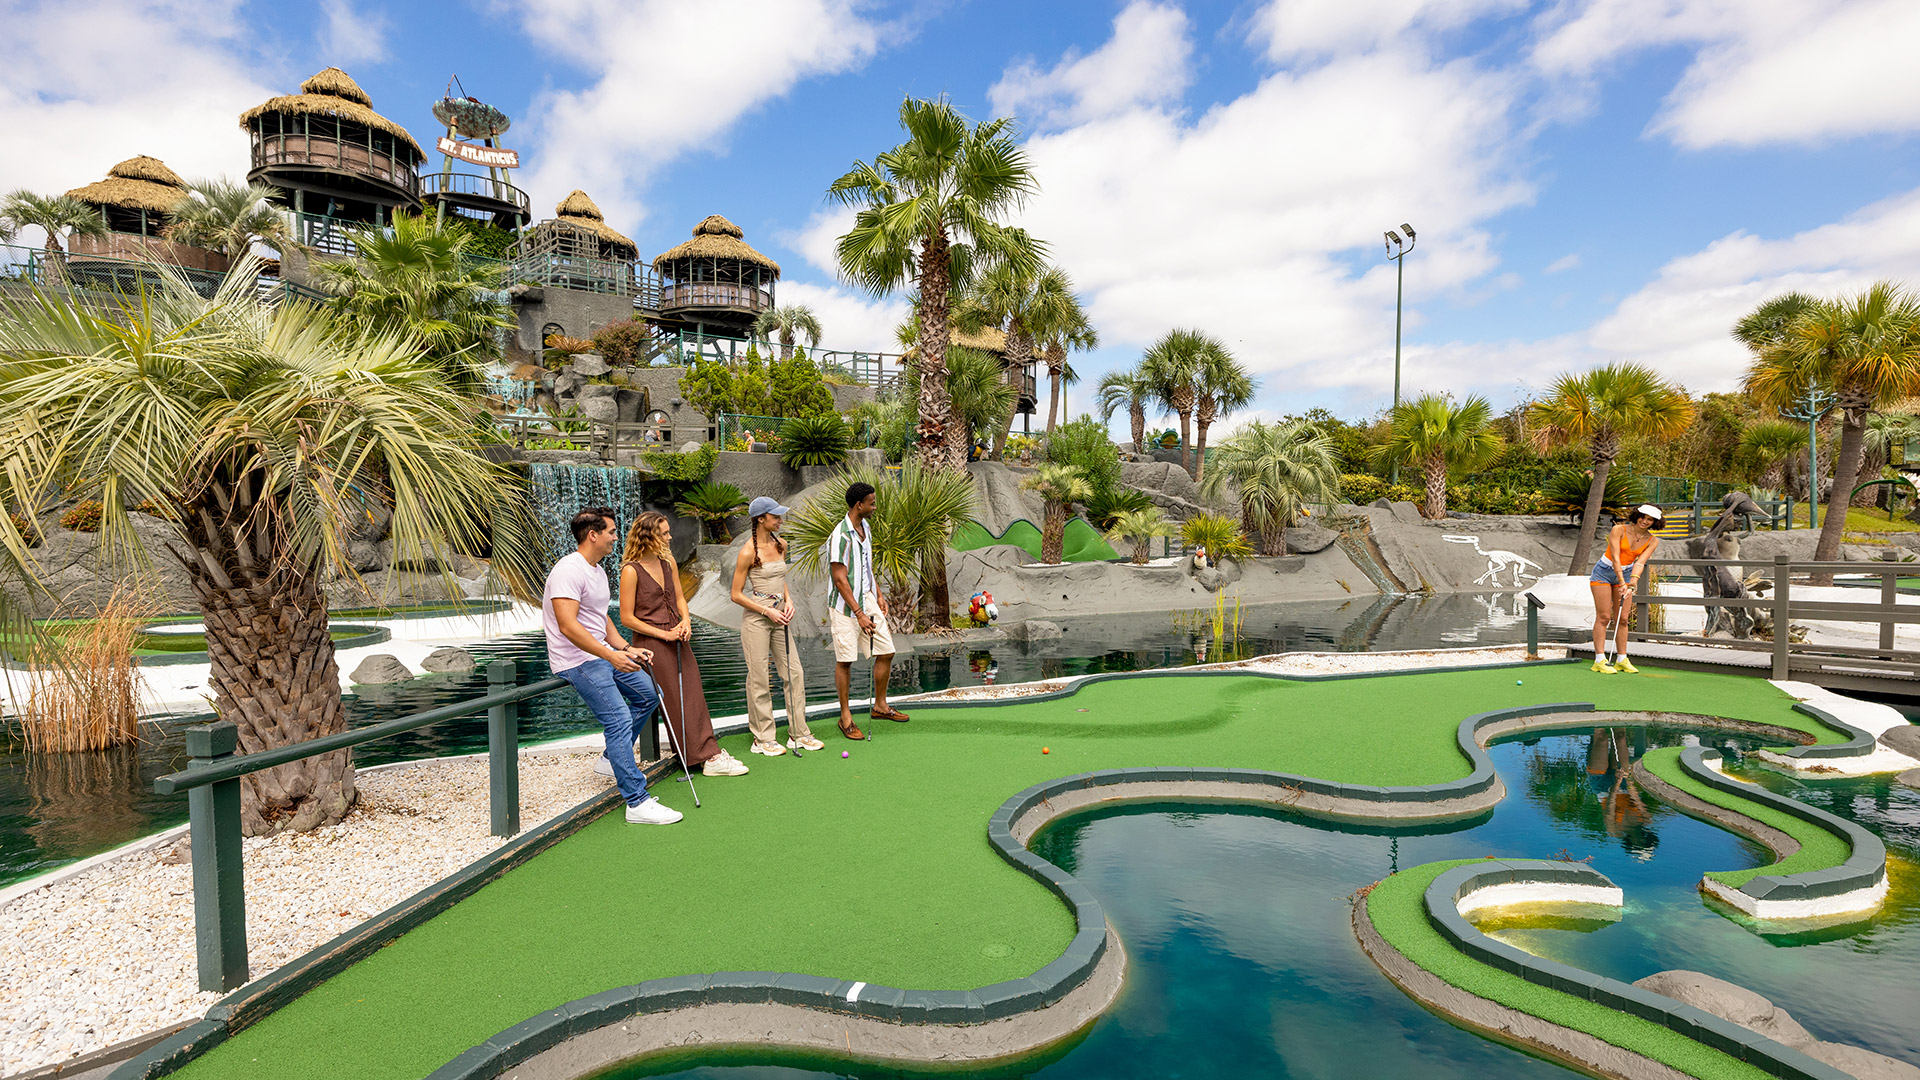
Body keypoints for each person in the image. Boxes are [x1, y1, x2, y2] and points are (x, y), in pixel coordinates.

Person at [543, 507, 682, 825]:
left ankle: (610, 757)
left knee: (650, 694)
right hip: (576, 660)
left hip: (603, 653)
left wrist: (625, 648)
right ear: (593, 535)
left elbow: (598, 617)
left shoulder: (597, 570)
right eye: (611, 531)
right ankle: (637, 801)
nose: (616, 537)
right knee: (618, 719)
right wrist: (610, 656)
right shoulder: (569, 570)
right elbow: (567, 625)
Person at [620, 511, 748, 776]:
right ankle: (702, 758)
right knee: (674, 699)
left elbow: (680, 598)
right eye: (664, 533)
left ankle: (708, 752)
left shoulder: (667, 562)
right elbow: (626, 618)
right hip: (652, 643)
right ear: (649, 536)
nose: (670, 537)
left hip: (677, 635)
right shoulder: (631, 571)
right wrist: (664, 634)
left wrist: (686, 621)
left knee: (692, 692)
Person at [731, 496, 824, 757]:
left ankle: (799, 732)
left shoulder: (782, 544)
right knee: (760, 678)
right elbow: (736, 594)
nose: (780, 521)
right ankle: (763, 738)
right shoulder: (748, 551)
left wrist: (789, 600)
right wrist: (767, 610)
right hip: (757, 619)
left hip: (780, 616)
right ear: (761, 519)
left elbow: (781, 579)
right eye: (776, 517)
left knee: (794, 673)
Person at [827, 481, 909, 740]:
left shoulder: (867, 528)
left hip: (868, 598)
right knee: (846, 659)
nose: (875, 507)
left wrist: (879, 594)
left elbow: (867, 567)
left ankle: (880, 706)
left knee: (886, 650)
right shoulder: (840, 535)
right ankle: (845, 717)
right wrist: (859, 614)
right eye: (871, 503)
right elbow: (840, 579)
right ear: (858, 505)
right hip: (844, 605)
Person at [1590, 503, 1664, 674]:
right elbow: (1615, 557)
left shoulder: (1653, 541)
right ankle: (1599, 660)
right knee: (1604, 616)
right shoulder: (1619, 530)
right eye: (1643, 517)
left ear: (1655, 522)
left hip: (1627, 572)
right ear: (1636, 515)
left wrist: (1632, 584)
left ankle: (1622, 659)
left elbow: (1640, 562)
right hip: (1604, 572)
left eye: (1650, 519)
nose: (1645, 521)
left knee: (1623, 619)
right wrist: (1622, 582)